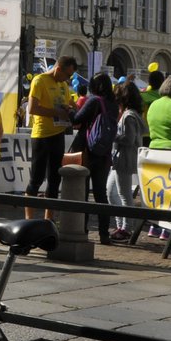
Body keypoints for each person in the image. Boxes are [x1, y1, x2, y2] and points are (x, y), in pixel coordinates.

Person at [23, 55, 78, 215]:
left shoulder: (63, 84)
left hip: (58, 134)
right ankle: (29, 219)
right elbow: (32, 108)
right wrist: (56, 112)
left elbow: (70, 104)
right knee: (36, 178)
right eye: (67, 75)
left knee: (55, 179)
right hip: (41, 135)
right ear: (58, 69)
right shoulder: (39, 81)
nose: (68, 78)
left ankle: (49, 219)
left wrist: (70, 110)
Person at [71, 72, 119, 244]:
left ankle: (81, 229)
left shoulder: (94, 101)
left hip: (87, 150)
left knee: (82, 192)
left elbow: (76, 119)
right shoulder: (113, 104)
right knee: (101, 195)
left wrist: (69, 109)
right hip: (104, 152)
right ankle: (104, 234)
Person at [106, 80, 148, 242]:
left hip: (124, 159)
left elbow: (129, 139)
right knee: (111, 192)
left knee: (124, 195)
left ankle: (127, 228)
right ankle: (121, 225)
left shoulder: (129, 116)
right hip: (119, 159)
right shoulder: (130, 114)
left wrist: (111, 135)